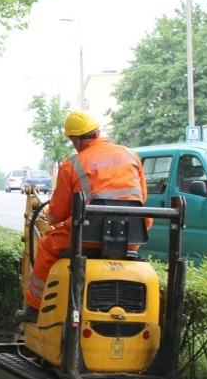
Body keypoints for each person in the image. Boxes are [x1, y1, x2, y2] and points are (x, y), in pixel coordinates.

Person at [16, 110, 152, 323]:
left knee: (46, 246)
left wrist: (50, 217)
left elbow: (59, 212)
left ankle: (34, 308)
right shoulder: (131, 154)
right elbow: (141, 196)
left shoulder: (73, 164)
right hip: (130, 238)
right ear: (97, 133)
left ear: (77, 139)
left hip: (87, 237)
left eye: (72, 141)